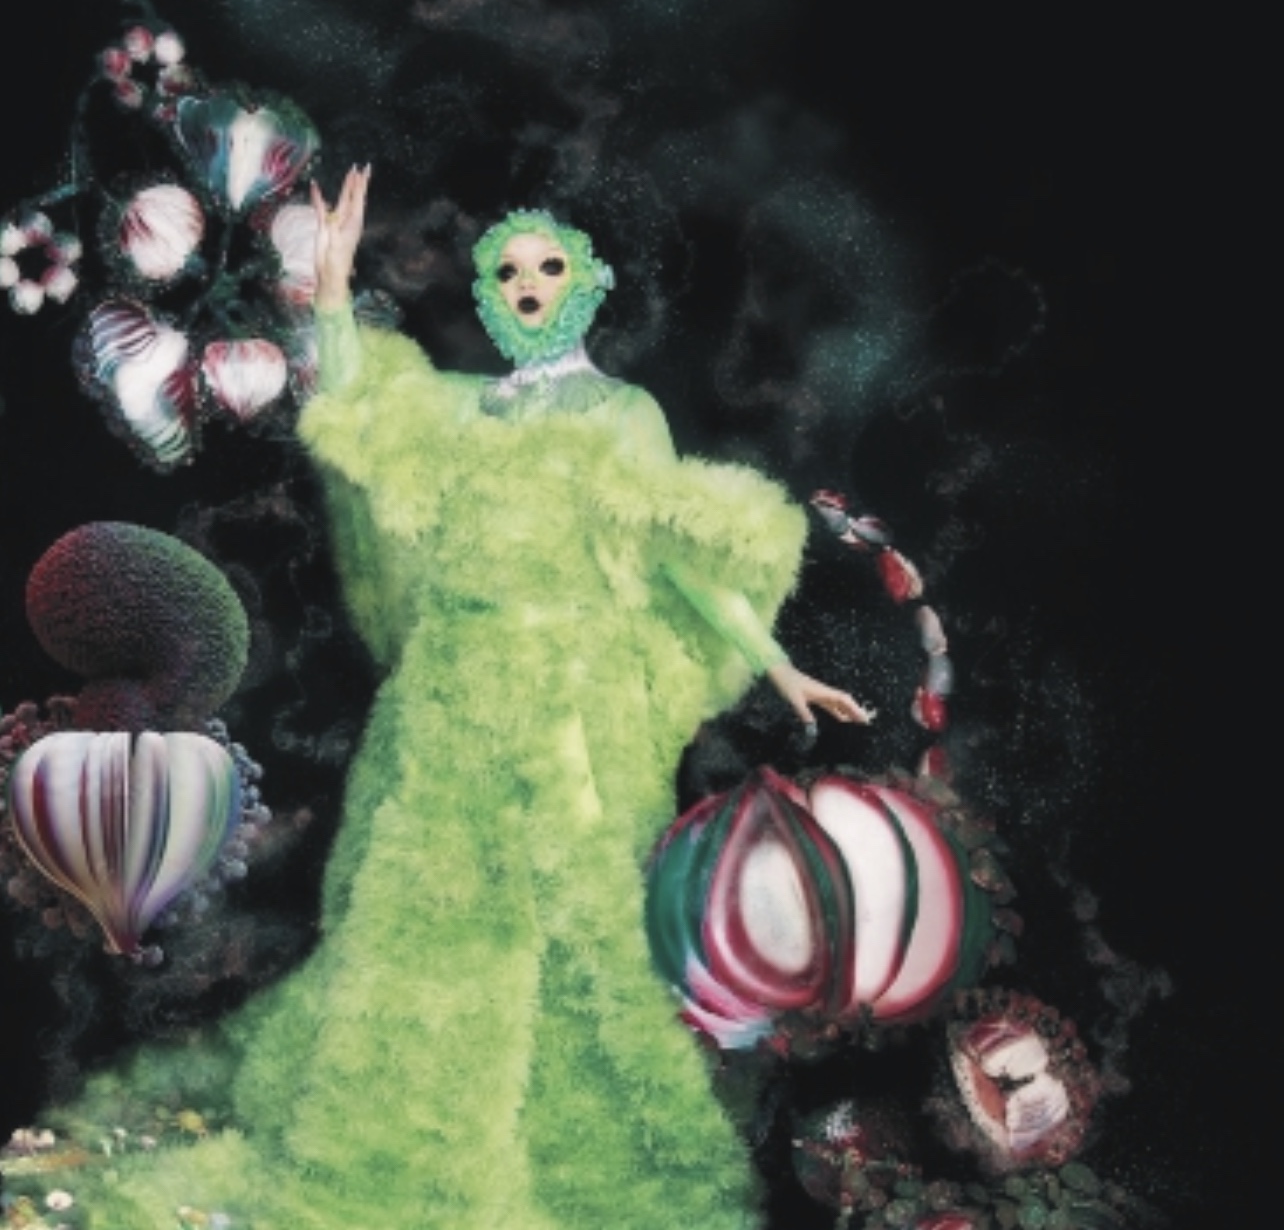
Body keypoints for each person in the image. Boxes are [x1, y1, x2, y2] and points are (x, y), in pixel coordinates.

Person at [24, 166, 870, 1229]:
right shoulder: (470, 410)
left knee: (575, 922)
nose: (529, 284)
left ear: (586, 285)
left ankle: (560, 1149)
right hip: (450, 705)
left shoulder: (623, 415)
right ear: (489, 293)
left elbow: (681, 553)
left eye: (548, 266)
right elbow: (362, 413)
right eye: (508, 272)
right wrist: (333, 291)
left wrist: (775, 660)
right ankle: (404, 1140)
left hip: (571, 708)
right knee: (427, 914)